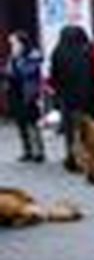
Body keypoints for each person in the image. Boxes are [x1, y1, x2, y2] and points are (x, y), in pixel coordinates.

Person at [48, 25, 94, 170]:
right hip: (90, 99)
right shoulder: (89, 51)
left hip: (68, 100)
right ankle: (92, 159)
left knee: (71, 131)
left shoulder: (58, 52)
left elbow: (54, 77)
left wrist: (59, 93)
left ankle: (74, 159)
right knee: (90, 130)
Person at [5, 31, 45, 162]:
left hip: (28, 93)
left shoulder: (32, 56)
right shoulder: (13, 57)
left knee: (32, 122)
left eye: (14, 43)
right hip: (16, 93)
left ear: (22, 43)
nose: (12, 47)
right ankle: (27, 150)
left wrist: (16, 62)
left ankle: (38, 151)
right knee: (21, 122)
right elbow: (9, 72)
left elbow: (26, 72)